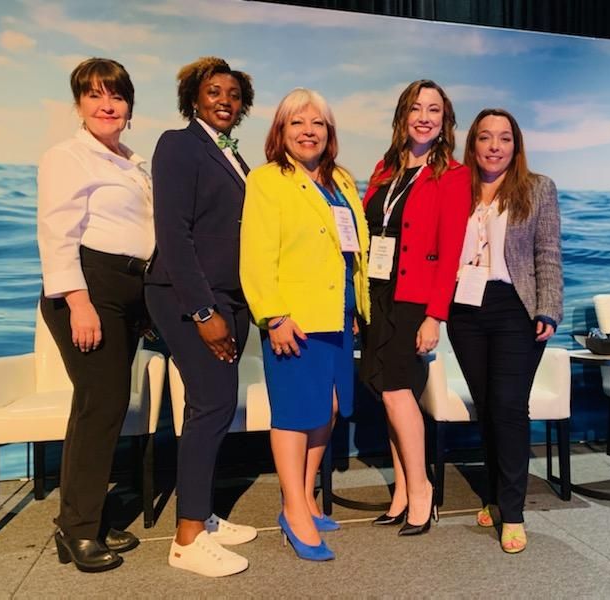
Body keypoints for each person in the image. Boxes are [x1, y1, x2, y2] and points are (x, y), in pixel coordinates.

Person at [240, 88, 370, 561]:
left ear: (329, 132)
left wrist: (355, 309)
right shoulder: (267, 180)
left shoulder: (342, 181)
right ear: (281, 131)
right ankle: (294, 509)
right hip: (291, 318)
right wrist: (274, 315)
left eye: (317, 123)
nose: (308, 131)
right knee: (296, 415)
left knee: (329, 409)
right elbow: (255, 256)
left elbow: (352, 249)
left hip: (337, 313)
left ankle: (305, 495)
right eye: (297, 123)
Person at [38, 58, 153, 572]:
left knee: (103, 405)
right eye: (94, 95)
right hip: (89, 287)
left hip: (129, 287)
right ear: (79, 104)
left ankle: (85, 517)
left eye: (117, 96)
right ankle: (78, 531)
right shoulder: (68, 157)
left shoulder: (133, 159)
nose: (107, 105)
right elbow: (57, 232)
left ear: (129, 105)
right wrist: (78, 301)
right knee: (100, 404)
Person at [145, 57, 257, 578]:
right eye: (214, 92)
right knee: (211, 405)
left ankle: (204, 515)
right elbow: (173, 233)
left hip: (229, 299)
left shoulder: (235, 157)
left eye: (233, 95)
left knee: (215, 406)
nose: (224, 100)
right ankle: (187, 537)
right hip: (188, 296)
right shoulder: (178, 144)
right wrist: (204, 309)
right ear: (194, 98)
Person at [447, 108, 563, 554]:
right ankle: (494, 496)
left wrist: (549, 309)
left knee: (509, 406)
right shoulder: (456, 187)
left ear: (516, 145)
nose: (494, 146)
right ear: (472, 144)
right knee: (488, 406)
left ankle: (512, 513)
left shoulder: (537, 188)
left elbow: (548, 252)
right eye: (485, 137)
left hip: (516, 307)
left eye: (504, 138)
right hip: (465, 309)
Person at [360, 80, 471, 535]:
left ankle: (422, 490)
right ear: (402, 115)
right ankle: (402, 492)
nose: (424, 117)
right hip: (377, 294)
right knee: (384, 389)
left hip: (414, 298)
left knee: (397, 390)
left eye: (434, 111)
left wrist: (435, 314)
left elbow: (451, 252)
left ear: (445, 122)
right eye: (416, 108)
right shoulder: (385, 168)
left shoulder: (454, 175)